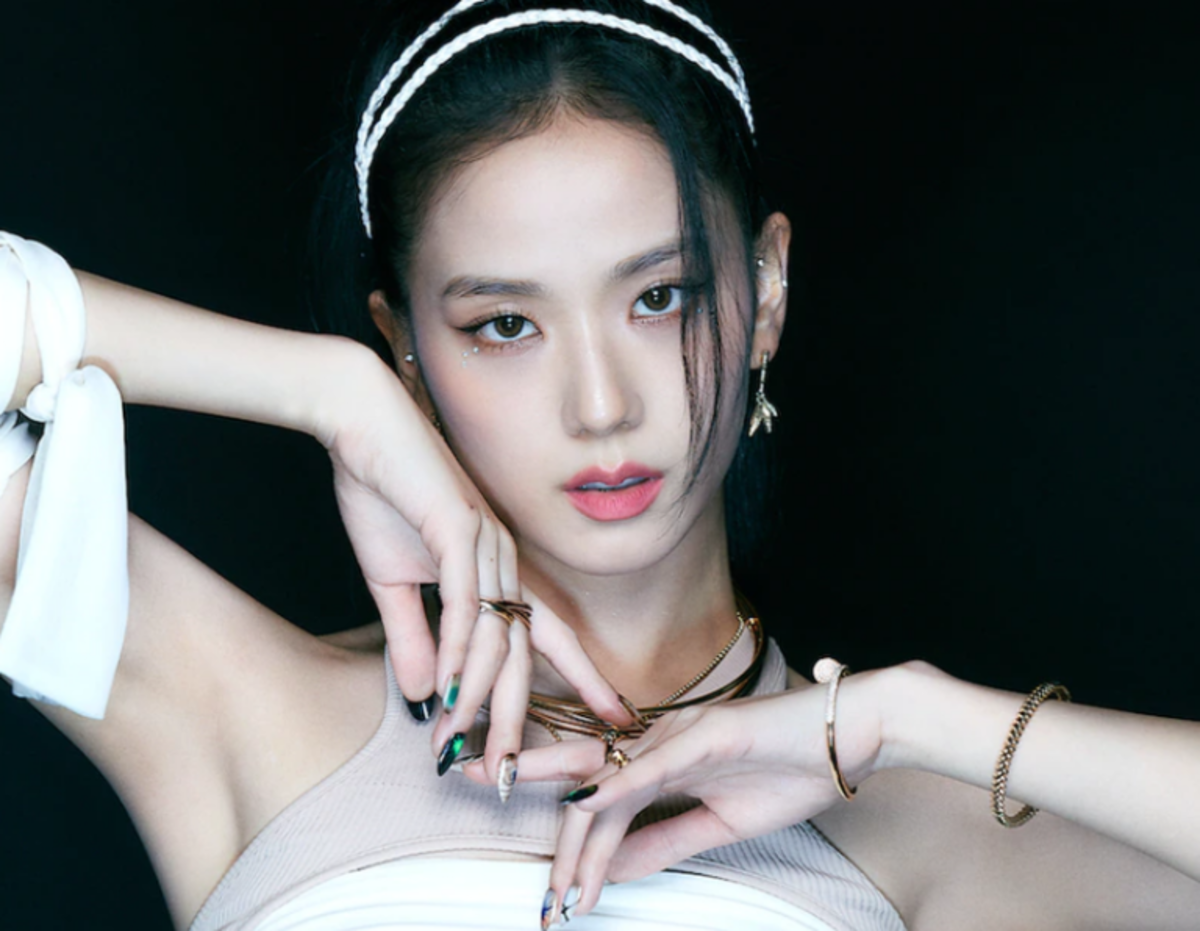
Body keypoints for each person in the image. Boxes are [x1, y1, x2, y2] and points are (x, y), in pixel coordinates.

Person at [2, 1, 1199, 930]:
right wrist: (332, 396)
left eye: (659, 296)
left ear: (766, 291)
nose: (601, 403)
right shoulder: (240, 708)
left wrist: (908, 717)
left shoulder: (924, 820)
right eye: (503, 324)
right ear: (406, 346)